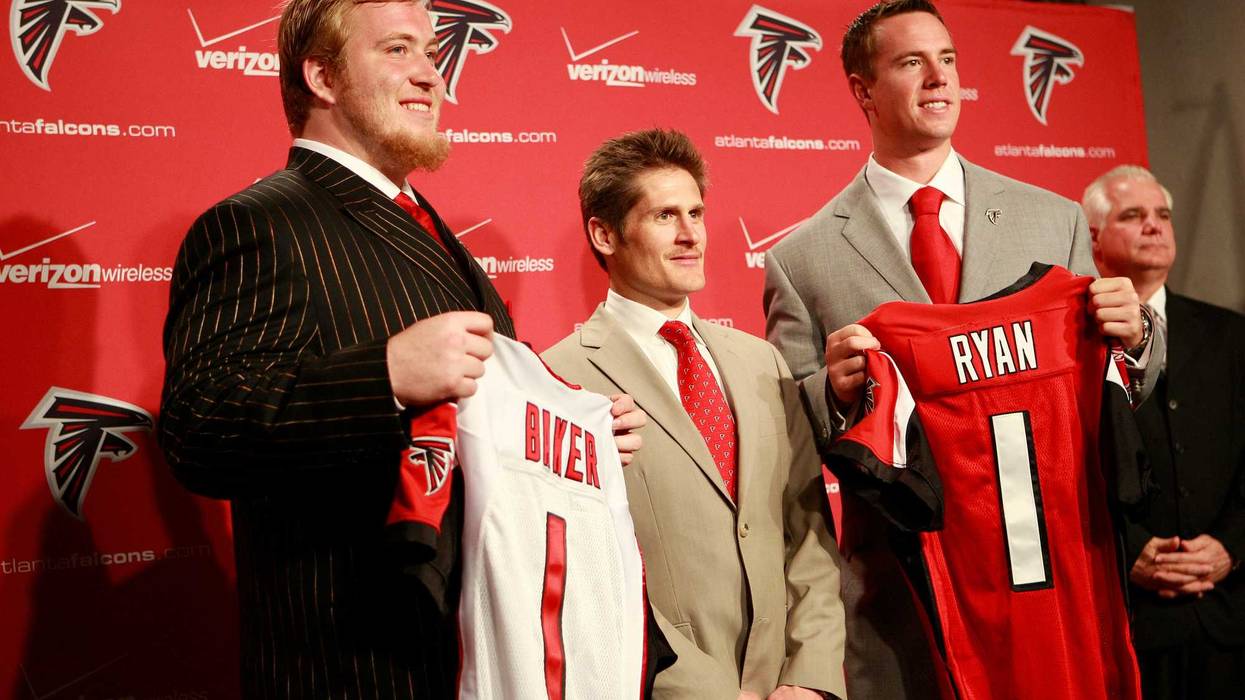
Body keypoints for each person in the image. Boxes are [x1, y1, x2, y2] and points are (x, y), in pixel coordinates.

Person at [158, 1, 643, 697]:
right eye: (397, 50)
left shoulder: (432, 232)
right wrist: (383, 376)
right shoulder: (258, 222)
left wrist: (569, 436)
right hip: (355, 669)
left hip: (481, 660)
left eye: (431, 53)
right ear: (322, 77)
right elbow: (199, 427)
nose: (430, 75)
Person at [762, 1, 1160, 697]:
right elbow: (794, 426)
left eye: (946, 59)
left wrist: (1137, 337)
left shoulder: (1053, 218)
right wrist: (835, 392)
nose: (939, 77)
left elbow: (1115, 385)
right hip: (905, 592)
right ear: (862, 90)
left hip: (1055, 572)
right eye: (911, 62)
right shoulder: (803, 258)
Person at [543, 129, 847, 700]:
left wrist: (809, 678)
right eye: (664, 216)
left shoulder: (762, 361)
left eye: (696, 213)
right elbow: (583, 574)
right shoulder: (559, 381)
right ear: (605, 235)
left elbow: (807, 532)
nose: (691, 235)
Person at [1084, 164, 1245, 699]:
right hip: (1126, 624)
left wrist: (1231, 547)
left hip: (1227, 618)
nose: (1154, 225)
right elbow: (1060, 467)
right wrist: (1126, 551)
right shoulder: (1067, 343)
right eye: (1133, 215)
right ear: (1093, 238)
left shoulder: (1230, 335)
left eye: (1163, 215)